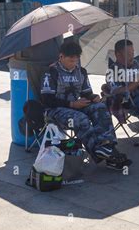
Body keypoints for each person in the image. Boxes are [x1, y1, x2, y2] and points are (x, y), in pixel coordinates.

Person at [41, 41, 131, 170]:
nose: (74, 64)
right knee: (80, 118)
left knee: (100, 108)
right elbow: (47, 100)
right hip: (55, 110)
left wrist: (93, 97)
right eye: (71, 61)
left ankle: (108, 146)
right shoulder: (51, 72)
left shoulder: (81, 71)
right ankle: (99, 151)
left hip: (76, 105)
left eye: (76, 61)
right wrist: (71, 104)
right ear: (61, 57)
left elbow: (86, 92)